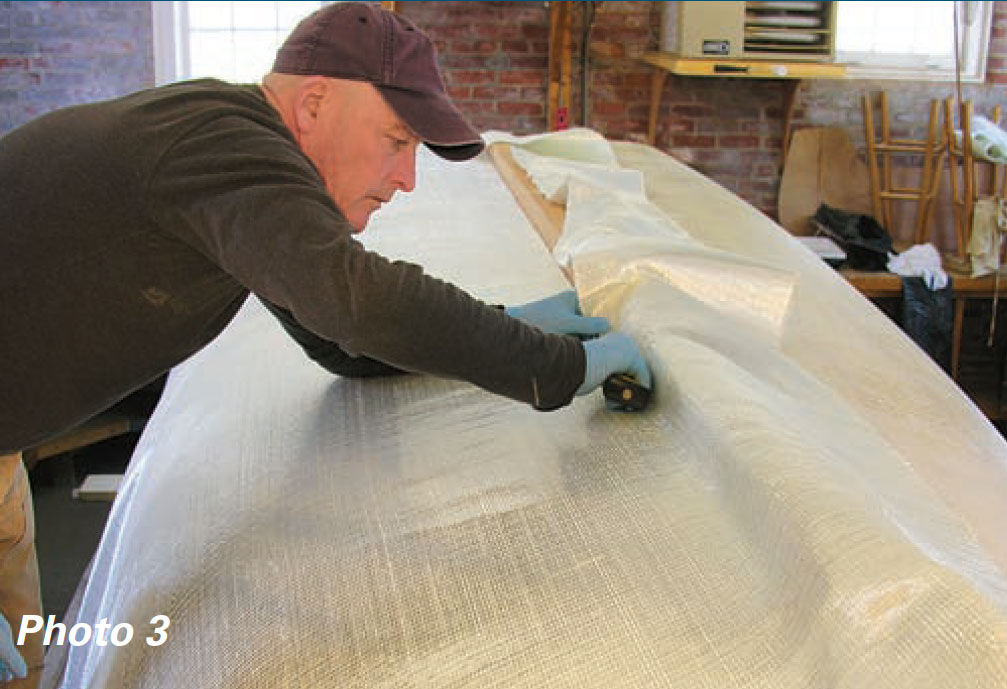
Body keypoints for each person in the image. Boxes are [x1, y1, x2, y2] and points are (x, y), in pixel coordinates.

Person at [0, 3, 651, 682]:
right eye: (397, 141)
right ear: (313, 103)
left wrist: (515, 322)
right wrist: (558, 367)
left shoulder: (234, 172)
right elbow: (359, 302)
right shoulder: (222, 148)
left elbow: (343, 342)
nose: (407, 178)